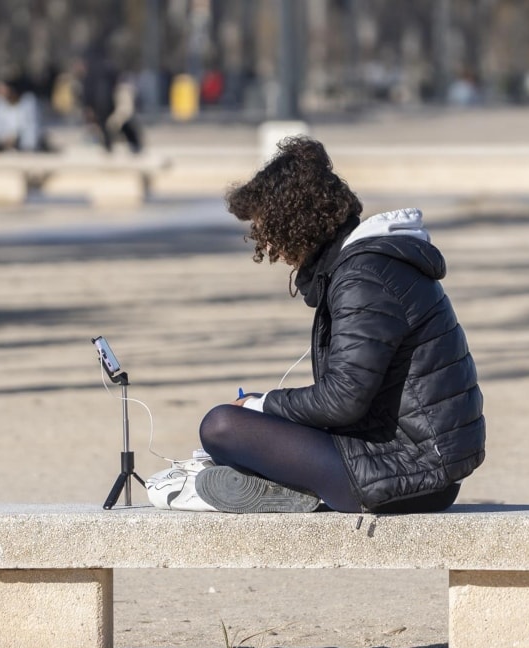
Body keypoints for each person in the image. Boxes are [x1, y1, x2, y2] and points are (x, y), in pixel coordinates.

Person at [167, 136, 486, 514]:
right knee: (244, 418)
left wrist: (263, 404)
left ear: (294, 224)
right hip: (411, 463)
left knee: (221, 426)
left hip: (408, 474)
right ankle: (286, 487)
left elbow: (343, 400)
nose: (265, 244)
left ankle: (291, 489)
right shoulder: (366, 266)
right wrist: (263, 407)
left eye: (266, 230)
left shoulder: (363, 277)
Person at [77, 51, 142, 154]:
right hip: (106, 103)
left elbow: (89, 92)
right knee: (112, 125)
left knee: (117, 123)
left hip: (108, 103)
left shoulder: (92, 74)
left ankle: (123, 145)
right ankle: (123, 145)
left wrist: (88, 107)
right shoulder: (100, 70)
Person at [0, 79, 51, 153]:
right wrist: (4, 139)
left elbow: (32, 128)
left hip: (25, 143)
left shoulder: (28, 102)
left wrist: (19, 140)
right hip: (5, 142)